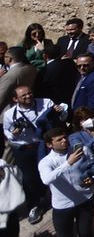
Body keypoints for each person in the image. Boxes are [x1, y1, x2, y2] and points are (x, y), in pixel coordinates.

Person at [37, 126, 94, 237]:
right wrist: (68, 163)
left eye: (65, 137)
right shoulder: (46, 162)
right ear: (50, 144)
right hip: (62, 206)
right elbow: (46, 179)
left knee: (85, 232)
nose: (64, 141)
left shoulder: (82, 150)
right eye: (59, 139)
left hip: (85, 199)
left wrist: (93, 178)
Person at [3, 83, 62, 223]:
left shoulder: (46, 103)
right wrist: (14, 133)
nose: (28, 96)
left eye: (29, 93)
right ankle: (35, 205)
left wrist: (60, 111)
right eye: (23, 95)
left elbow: (60, 117)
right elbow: (7, 131)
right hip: (24, 149)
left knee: (54, 171)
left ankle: (59, 197)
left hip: (45, 145)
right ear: (15, 99)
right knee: (29, 179)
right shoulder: (10, 114)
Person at [69, 52, 94, 116]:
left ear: (93, 63)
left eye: (85, 65)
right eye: (79, 66)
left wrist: (86, 116)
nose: (81, 68)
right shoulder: (82, 74)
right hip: (78, 114)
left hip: (86, 116)